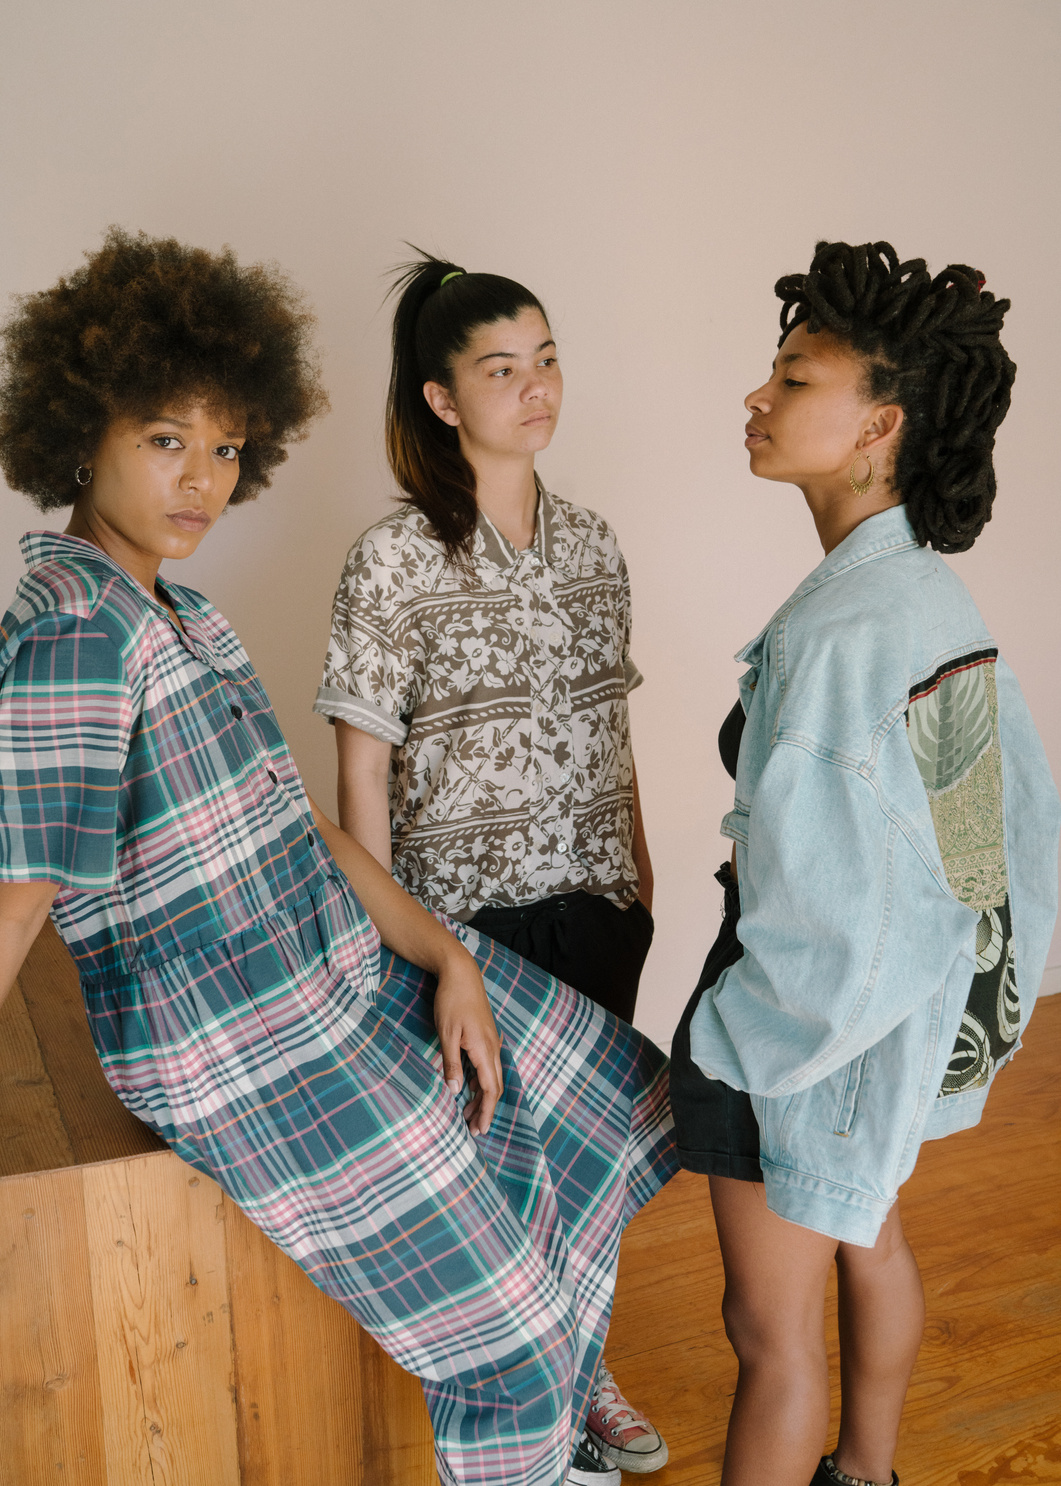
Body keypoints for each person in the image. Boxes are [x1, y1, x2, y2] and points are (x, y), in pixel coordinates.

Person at [0, 229, 678, 1486]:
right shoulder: (76, 636)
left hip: (329, 964)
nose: (201, 477)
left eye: (226, 447)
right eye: (164, 440)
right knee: (509, 1342)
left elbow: (295, 823)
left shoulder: (178, 613)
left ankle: (560, 1406)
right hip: (239, 1030)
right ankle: (536, 1436)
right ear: (77, 433)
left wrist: (444, 960)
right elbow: (18, 895)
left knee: (604, 1101)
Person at [668, 240, 1060, 1486]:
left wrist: (744, 1035)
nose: (757, 398)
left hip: (807, 1026)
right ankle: (868, 1474)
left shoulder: (845, 632)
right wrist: (947, 1014)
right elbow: (991, 851)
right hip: (888, 1013)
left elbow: (847, 909)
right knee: (867, 1236)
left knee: (769, 1339)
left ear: (876, 425)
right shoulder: (927, 603)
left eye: (792, 378)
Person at [315, 253, 664, 1480]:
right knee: (500, 1183)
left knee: (591, 1169)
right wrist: (394, 937)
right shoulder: (393, 560)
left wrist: (641, 881)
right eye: (500, 370)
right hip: (462, 929)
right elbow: (358, 778)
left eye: (547, 358)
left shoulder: (595, 547)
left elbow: (609, 730)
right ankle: (530, 1418)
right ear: (441, 399)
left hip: (595, 905)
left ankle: (588, 1377)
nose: (535, 389)